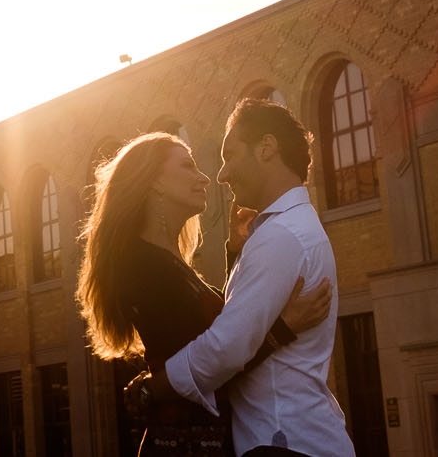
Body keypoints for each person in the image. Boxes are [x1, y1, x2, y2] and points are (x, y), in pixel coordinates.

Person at [75, 130, 332, 456]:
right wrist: (283, 329)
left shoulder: (167, 262)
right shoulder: (142, 266)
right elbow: (215, 360)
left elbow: (213, 330)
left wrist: (235, 256)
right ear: (154, 181)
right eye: (187, 167)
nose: (205, 179)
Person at [146, 99, 357, 457]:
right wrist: (236, 255)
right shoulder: (285, 230)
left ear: (267, 148)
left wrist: (157, 385)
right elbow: (243, 324)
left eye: (230, 155)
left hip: (284, 443)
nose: (222, 174)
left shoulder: (281, 236)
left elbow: (227, 347)